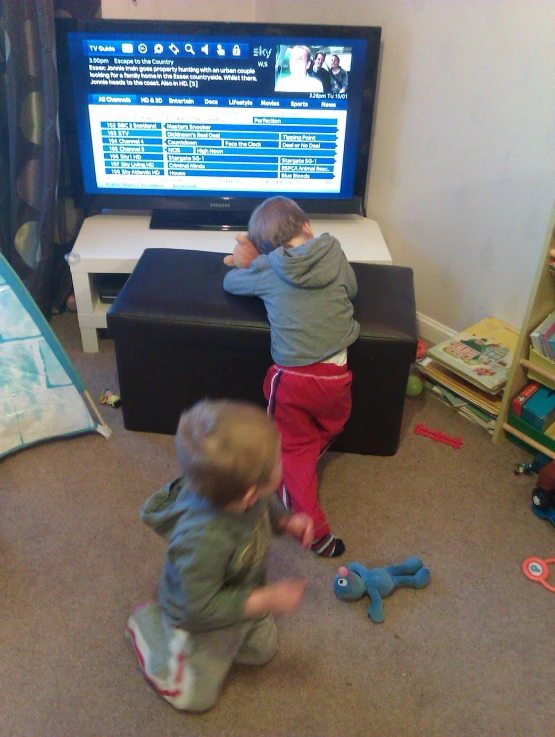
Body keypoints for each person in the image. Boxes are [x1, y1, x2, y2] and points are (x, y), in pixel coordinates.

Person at [126, 399, 313, 712]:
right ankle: (149, 625)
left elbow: (266, 503)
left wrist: (286, 522)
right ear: (249, 494)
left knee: (262, 652)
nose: (284, 461)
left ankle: (240, 620)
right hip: (195, 614)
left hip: (241, 588)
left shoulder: (247, 494)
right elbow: (198, 607)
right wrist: (266, 600)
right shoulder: (203, 540)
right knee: (192, 699)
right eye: (280, 459)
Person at [223, 197, 359, 558]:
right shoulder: (335, 252)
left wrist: (245, 262)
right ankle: (308, 454)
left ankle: (316, 531)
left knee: (290, 449)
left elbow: (231, 283)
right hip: (338, 377)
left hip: (295, 380)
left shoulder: (268, 268)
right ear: (307, 226)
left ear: (264, 247)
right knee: (331, 423)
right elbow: (353, 289)